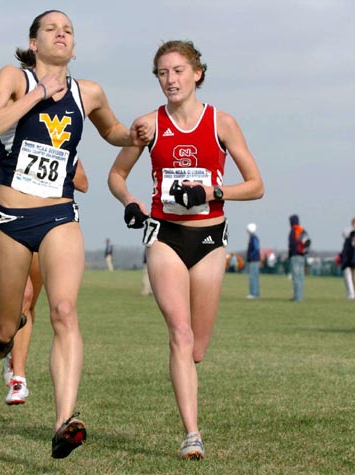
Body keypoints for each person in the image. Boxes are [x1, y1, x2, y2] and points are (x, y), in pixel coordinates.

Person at [0, 10, 150, 459]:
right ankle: (1, 342)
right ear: (34, 42)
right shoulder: (14, 78)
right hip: (9, 221)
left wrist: (135, 133)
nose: (61, 34)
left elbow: (112, 131)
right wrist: (36, 97)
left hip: (59, 216)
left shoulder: (87, 92)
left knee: (64, 310)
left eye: (68, 30)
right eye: (51, 29)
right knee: (6, 322)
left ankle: (63, 421)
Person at [108, 40, 264, 460]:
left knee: (196, 347)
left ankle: (189, 383)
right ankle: (191, 434)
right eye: (162, 72)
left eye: (178, 71)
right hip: (165, 235)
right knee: (179, 333)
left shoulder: (222, 123)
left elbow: (256, 185)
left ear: (197, 73)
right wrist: (132, 203)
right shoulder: (148, 124)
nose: (170, 79)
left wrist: (213, 189)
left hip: (210, 239)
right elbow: (117, 175)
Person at [0, 140, 89, 407]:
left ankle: (18, 375)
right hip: (11, 220)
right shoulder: (10, 123)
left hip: (49, 222)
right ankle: (3, 336)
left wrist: (57, 161)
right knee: (13, 312)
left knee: (29, 301)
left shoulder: (61, 134)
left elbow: (83, 183)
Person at [288, 214, 310, 302]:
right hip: (302, 256)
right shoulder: (302, 230)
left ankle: (297, 297)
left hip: (295, 256)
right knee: (301, 277)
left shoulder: (293, 231)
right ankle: (299, 296)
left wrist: (290, 255)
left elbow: (292, 245)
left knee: (296, 277)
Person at [339, 218, 354, 300]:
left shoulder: (350, 236)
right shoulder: (350, 236)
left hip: (350, 260)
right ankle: (351, 294)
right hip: (349, 260)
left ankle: (351, 294)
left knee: (349, 278)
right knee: (349, 278)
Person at [246, 223, 261, 299]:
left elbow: (256, 249)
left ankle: (253, 293)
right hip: (256, 260)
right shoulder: (254, 237)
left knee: (253, 277)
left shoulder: (253, 238)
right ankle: (256, 293)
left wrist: (250, 256)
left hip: (254, 260)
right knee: (255, 277)